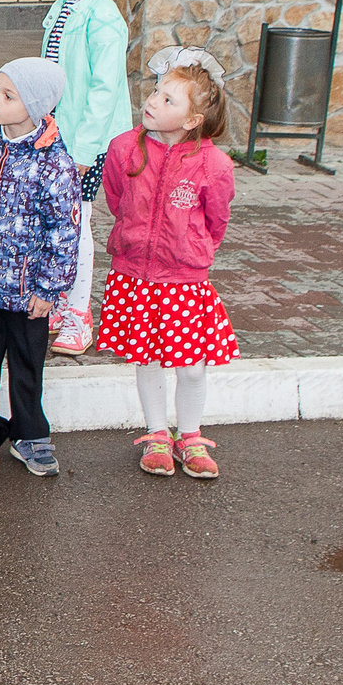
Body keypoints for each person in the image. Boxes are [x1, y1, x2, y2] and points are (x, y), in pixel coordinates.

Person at [100, 47, 239, 480]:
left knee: (191, 366)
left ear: (192, 120)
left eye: (167, 99)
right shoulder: (124, 148)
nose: (152, 101)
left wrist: (189, 250)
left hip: (183, 281)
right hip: (135, 276)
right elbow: (117, 199)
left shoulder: (214, 164)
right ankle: (157, 434)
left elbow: (216, 221)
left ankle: (191, 436)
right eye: (155, 92)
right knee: (147, 360)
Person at [0, 59, 81, 477]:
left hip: (29, 293)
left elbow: (65, 231)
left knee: (27, 362)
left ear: (36, 105)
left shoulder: (54, 164)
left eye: (8, 95)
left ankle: (30, 434)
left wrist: (49, 289)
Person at [38, 0, 133, 355]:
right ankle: (60, 302)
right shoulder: (64, 7)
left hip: (85, 144)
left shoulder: (105, 20)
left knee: (76, 224)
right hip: (57, 134)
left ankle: (79, 313)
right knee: (55, 221)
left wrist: (82, 151)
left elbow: (104, 91)